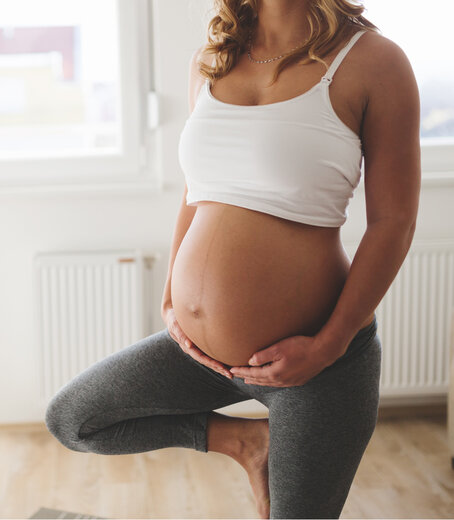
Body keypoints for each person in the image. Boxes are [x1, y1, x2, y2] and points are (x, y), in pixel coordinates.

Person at [45, 0, 421, 517]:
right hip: (201, 355)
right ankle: (247, 443)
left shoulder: (374, 61)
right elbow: (194, 193)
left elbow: (393, 223)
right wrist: (172, 299)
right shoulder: (216, 58)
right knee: (75, 418)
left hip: (315, 364)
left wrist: (328, 346)